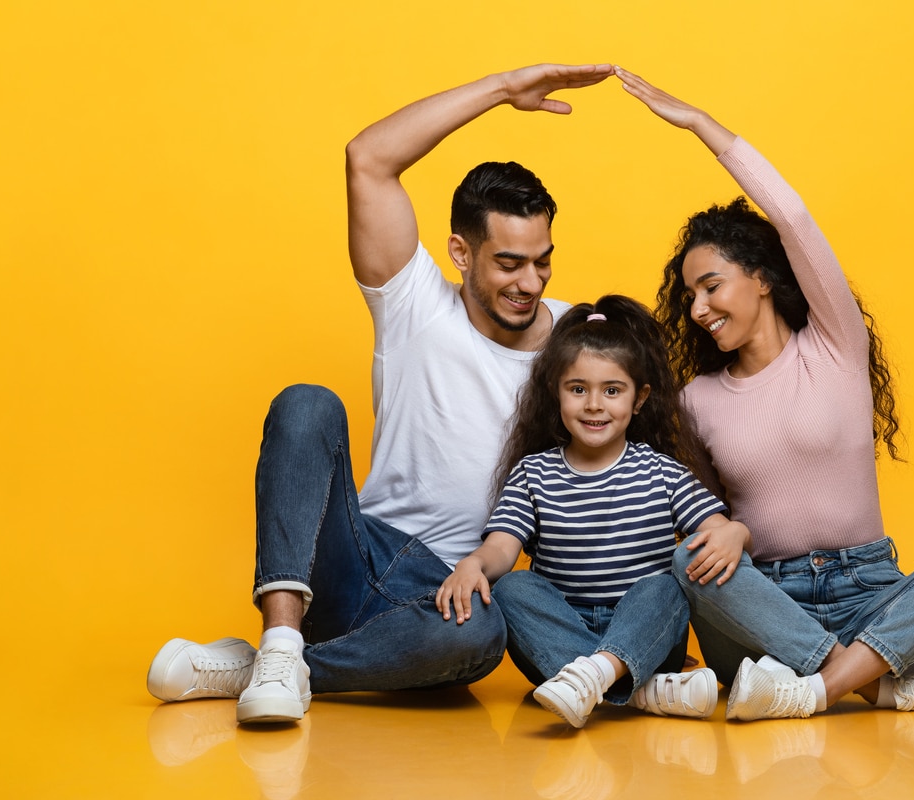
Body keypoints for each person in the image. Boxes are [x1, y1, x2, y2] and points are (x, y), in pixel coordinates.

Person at [145, 64, 615, 724]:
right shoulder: (414, 300)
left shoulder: (573, 342)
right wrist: (504, 91)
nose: (529, 281)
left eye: (542, 260)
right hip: (356, 553)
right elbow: (367, 157)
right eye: (509, 262)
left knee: (480, 639)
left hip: (451, 591)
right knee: (306, 402)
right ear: (460, 251)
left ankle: (264, 669)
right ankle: (283, 636)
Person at [615, 66, 914, 720]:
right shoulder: (696, 400)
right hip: (766, 607)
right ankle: (885, 679)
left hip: (872, 590)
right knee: (689, 560)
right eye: (688, 295)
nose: (697, 308)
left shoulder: (834, 343)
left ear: (763, 277)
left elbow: (792, 216)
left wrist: (703, 128)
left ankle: (817, 688)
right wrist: (725, 536)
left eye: (711, 285)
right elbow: (706, 523)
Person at [436, 295, 749, 728]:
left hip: (646, 634)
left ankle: (599, 677)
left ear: (639, 400)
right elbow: (502, 548)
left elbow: (718, 530)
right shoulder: (534, 473)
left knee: (666, 588)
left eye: (612, 391)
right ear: (555, 392)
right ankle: (644, 693)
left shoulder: (661, 472)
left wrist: (736, 532)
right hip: (558, 634)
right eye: (578, 389)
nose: (594, 405)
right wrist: (474, 564)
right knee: (513, 588)